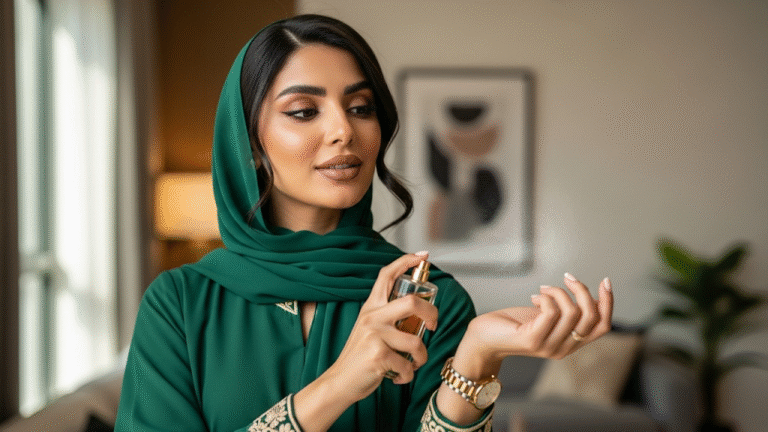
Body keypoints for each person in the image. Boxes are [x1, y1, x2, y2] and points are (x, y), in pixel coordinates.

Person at [115, 14, 613, 432]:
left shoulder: (428, 300)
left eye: (360, 107)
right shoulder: (181, 304)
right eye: (303, 111)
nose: (343, 130)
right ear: (248, 142)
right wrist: (341, 382)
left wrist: (477, 357)